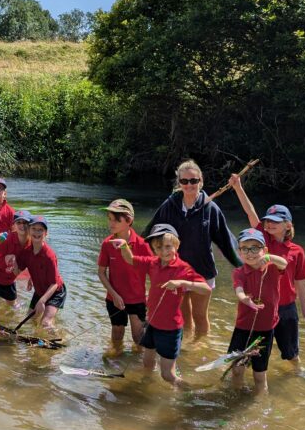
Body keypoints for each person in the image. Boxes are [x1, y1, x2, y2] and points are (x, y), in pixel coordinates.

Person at [228, 175, 305, 370]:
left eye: (275, 221)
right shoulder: (263, 241)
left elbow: (301, 283)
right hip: (264, 307)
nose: (269, 224)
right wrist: (238, 187)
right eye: (267, 221)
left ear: (288, 225)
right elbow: (250, 211)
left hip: (286, 308)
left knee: (291, 353)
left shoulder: (297, 251)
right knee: (258, 352)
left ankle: (297, 373)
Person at [145, 159, 241, 339]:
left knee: (199, 316)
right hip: (177, 271)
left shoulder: (210, 208)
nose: (189, 185)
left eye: (193, 181)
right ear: (179, 183)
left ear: (201, 181)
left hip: (202, 271)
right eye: (184, 181)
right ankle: (188, 349)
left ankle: (200, 347)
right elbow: (151, 233)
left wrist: (244, 264)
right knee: (184, 316)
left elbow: (226, 240)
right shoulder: (169, 206)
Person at [118, 224, 211, 385]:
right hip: (153, 323)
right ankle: (145, 386)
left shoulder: (183, 268)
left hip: (170, 329)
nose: (164, 251)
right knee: (147, 363)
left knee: (167, 375)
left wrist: (182, 282)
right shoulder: (153, 262)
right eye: (158, 248)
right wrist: (124, 245)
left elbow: (206, 289)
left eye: (168, 246)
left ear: (176, 245)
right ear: (154, 249)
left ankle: (189, 391)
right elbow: (130, 259)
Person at [229, 228, 289, 394]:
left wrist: (269, 258)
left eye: (255, 248)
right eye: (245, 249)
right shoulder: (239, 272)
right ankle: (235, 395)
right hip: (242, 327)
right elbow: (239, 290)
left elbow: (284, 263)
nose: (250, 253)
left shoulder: (272, 268)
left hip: (265, 329)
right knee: (237, 368)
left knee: (259, 375)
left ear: (265, 250)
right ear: (239, 252)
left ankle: (260, 403)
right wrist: (244, 299)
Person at [97, 199, 150, 357]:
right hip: (114, 298)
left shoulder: (142, 245)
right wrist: (114, 295)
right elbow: (101, 272)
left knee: (138, 338)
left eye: (116, 220)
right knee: (117, 335)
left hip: (137, 299)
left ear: (129, 221)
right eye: (110, 219)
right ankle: (115, 362)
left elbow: (154, 271)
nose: (111, 223)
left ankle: (140, 367)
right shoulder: (107, 244)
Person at [0, 209, 33, 320]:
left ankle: (11, 320)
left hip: (9, 280)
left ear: (30, 225)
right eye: (19, 222)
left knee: (13, 305)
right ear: (14, 225)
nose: (22, 225)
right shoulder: (7, 239)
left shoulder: (32, 243)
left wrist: (31, 278)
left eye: (25, 222)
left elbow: (33, 262)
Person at [20, 216, 66, 329]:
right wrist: (31, 278)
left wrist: (42, 301)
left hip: (55, 292)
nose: (36, 232)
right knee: (30, 320)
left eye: (40, 230)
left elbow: (54, 284)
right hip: (40, 290)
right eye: (34, 228)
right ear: (29, 231)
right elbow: (31, 265)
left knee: (45, 323)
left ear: (46, 233)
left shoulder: (49, 255)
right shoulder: (27, 251)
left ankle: (60, 341)